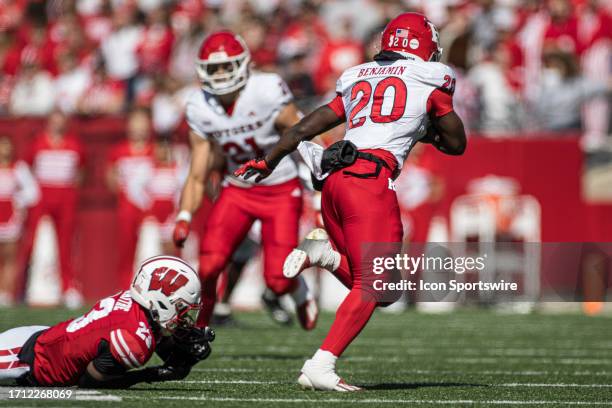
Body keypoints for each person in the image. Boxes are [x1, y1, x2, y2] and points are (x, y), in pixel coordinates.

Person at [235, 13, 467, 391]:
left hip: (334, 181)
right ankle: (321, 365)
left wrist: (269, 159)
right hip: (369, 181)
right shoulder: (432, 79)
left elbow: (306, 126)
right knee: (374, 283)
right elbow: (457, 144)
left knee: (387, 290)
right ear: (423, 45)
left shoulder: (357, 75)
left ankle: (324, 256)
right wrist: (428, 130)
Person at [172, 31, 317, 331]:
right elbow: (198, 172)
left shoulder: (266, 88)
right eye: (214, 68)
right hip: (238, 188)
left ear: (243, 64)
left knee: (278, 280)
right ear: (203, 70)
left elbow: (302, 134)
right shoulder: (199, 105)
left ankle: (298, 290)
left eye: (227, 66)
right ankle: (199, 329)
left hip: (280, 188)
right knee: (210, 265)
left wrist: (317, 185)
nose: (222, 74)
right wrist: (185, 215)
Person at [0, 255, 215, 388]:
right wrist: (153, 374)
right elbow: (91, 381)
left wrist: (183, 354)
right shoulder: (133, 341)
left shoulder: (133, 302)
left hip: (44, 339)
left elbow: (153, 335)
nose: (185, 317)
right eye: (181, 308)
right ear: (160, 302)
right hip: (26, 360)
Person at [22, 110, 85, 308]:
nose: (57, 125)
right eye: (54, 121)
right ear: (48, 122)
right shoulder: (37, 143)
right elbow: (26, 170)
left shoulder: (74, 144)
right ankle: (24, 287)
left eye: (61, 121)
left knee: (66, 244)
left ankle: (68, 288)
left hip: (66, 198)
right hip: (42, 198)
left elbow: (81, 171)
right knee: (32, 242)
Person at [106, 108, 155, 290]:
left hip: (151, 209)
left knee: (151, 249)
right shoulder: (119, 151)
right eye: (135, 123)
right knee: (126, 250)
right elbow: (110, 177)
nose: (139, 128)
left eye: (142, 123)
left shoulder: (155, 150)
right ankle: (125, 289)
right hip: (126, 207)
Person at [0, 136, 39, 306]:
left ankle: (6, 294)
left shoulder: (19, 168)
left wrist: (18, 200)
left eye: (7, 146)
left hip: (10, 217)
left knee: (10, 257)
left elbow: (33, 192)